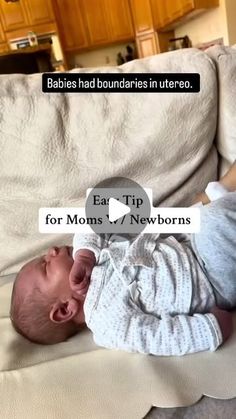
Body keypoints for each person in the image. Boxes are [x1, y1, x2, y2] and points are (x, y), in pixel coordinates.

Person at [10, 162, 236, 356]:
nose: (51, 251)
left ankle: (218, 194)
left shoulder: (92, 258)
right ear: (65, 309)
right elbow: (154, 337)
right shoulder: (105, 320)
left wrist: (85, 254)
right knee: (214, 220)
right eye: (45, 265)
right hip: (210, 281)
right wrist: (208, 331)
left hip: (187, 245)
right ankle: (219, 196)